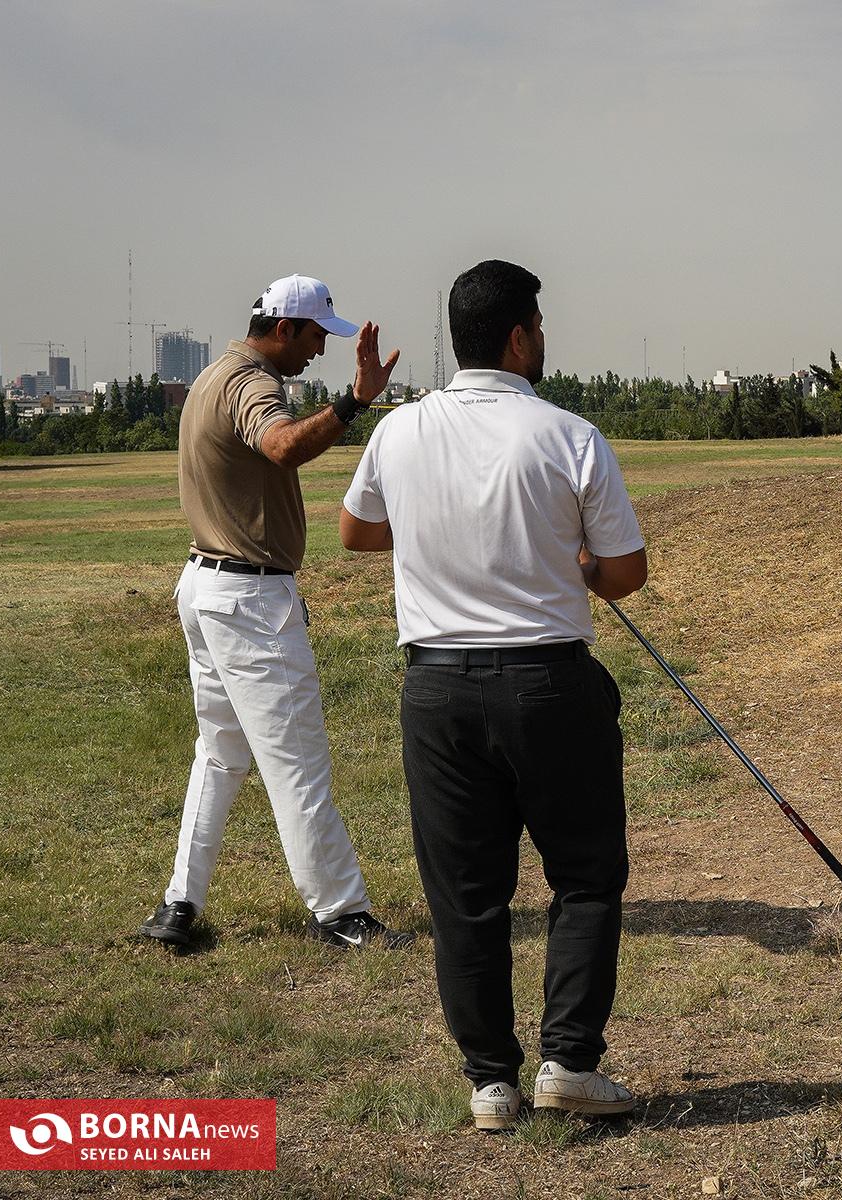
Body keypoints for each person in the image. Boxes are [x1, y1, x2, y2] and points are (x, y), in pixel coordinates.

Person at [340, 260, 647, 1132]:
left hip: (437, 687)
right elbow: (625, 571)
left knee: (465, 893)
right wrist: (574, 564)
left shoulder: (399, 431)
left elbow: (357, 531)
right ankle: (570, 1063)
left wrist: (442, 536)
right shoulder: (569, 434)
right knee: (584, 876)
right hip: (549, 682)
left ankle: (491, 1083)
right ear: (518, 337)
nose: (542, 338)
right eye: (538, 325)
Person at [143, 274, 411, 951]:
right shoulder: (252, 383)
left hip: (207, 586)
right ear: (285, 328)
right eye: (318, 335)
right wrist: (355, 401)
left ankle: (179, 904)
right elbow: (283, 444)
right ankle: (340, 912)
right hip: (250, 598)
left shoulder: (212, 375)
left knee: (220, 755)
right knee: (297, 762)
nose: (321, 350)